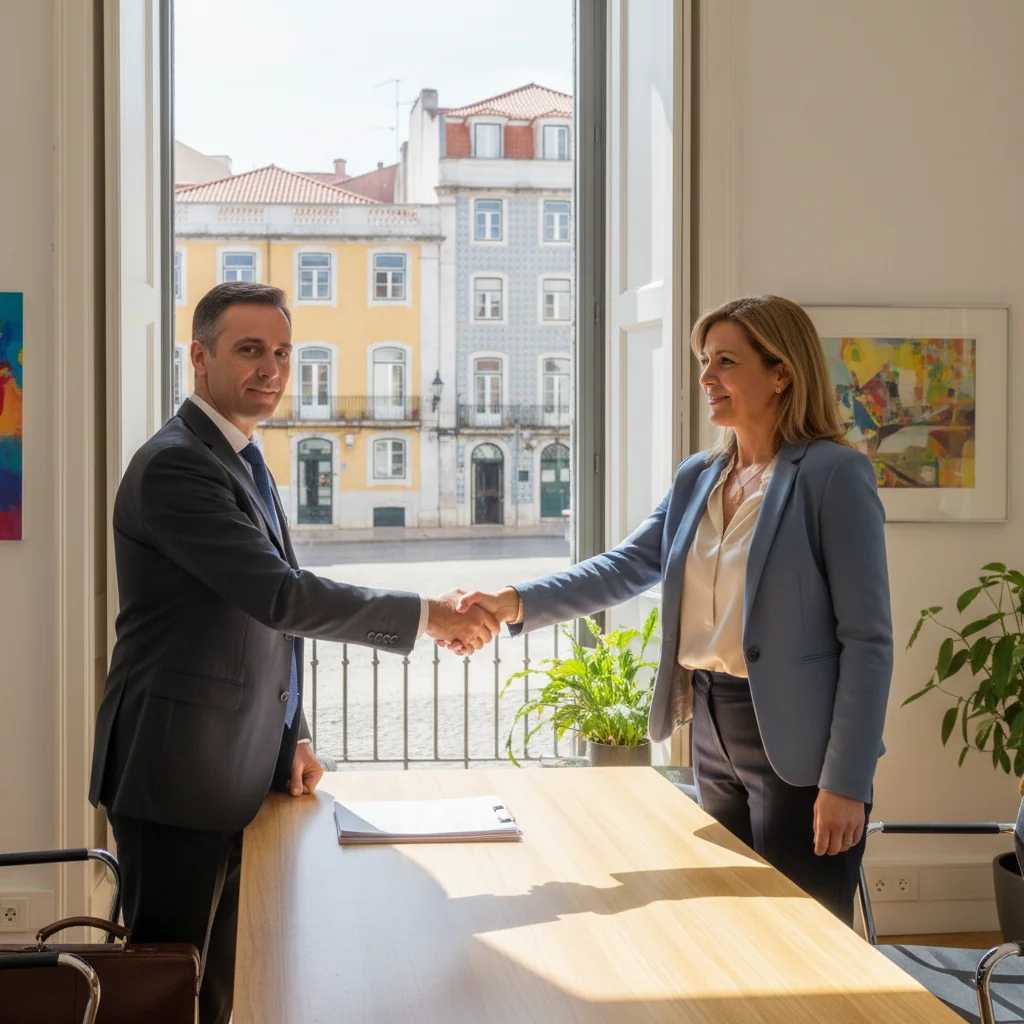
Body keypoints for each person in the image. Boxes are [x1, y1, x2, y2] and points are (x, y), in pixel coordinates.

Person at [88, 281, 498, 1024]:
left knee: (220, 983)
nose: (272, 368)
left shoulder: (241, 457)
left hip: (234, 763)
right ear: (199, 357)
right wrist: (426, 615)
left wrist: (294, 733)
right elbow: (281, 596)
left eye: (282, 352)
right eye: (250, 350)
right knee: (167, 985)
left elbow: (264, 624)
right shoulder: (177, 466)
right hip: (175, 770)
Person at [452, 294, 893, 925]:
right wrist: (514, 602)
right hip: (711, 722)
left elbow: (869, 640)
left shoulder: (833, 475)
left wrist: (847, 780)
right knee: (727, 916)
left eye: (725, 362)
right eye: (704, 361)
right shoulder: (700, 475)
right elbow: (625, 566)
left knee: (806, 929)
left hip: (799, 739)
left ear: (781, 372)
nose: (707, 378)